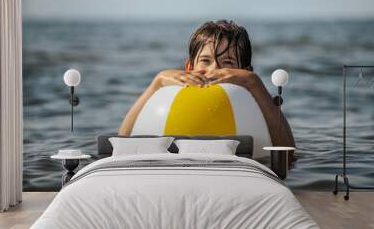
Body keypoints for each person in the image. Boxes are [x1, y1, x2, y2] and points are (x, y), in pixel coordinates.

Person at [118, 20, 295, 155]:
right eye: (205, 61)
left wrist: (254, 84)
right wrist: (157, 82)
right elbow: (121, 145)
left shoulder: (253, 96)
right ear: (189, 67)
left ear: (245, 72)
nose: (214, 70)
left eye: (228, 63)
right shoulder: (171, 95)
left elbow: (287, 155)